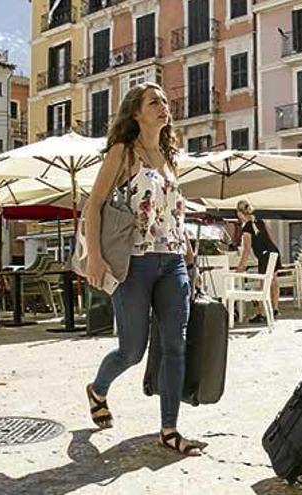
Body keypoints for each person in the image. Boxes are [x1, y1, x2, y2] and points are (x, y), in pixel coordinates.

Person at [83, 82, 201, 456]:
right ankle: (98, 388)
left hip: (173, 262)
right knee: (132, 350)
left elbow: (171, 210)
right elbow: (94, 205)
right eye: (154, 102)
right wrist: (96, 258)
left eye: (165, 101)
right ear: (136, 113)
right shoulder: (123, 152)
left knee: (174, 346)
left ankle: (169, 429)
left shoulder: (170, 157)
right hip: (133, 263)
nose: (164, 106)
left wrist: (188, 249)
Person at [235, 199, 281, 322]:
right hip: (274, 252)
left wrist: (240, 268)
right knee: (274, 281)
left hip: (264, 256)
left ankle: (262, 313)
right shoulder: (261, 222)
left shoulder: (247, 228)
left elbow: (246, 249)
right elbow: (271, 239)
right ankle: (275, 308)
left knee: (263, 284)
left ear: (240, 214)